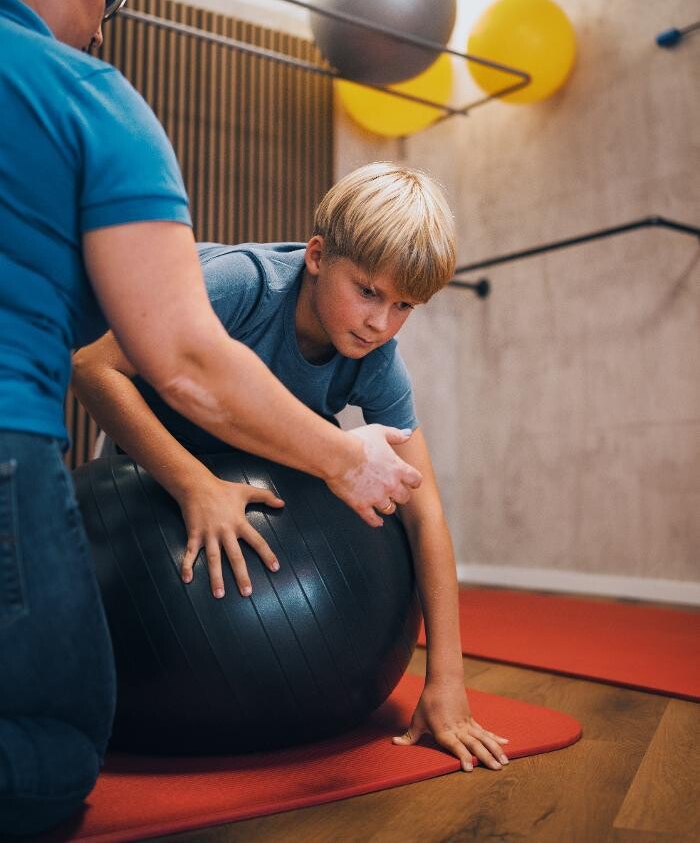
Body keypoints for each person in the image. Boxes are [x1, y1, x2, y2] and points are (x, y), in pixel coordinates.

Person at [0, 0, 420, 837]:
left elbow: (426, 492)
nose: (104, 12)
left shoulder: (379, 351)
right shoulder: (88, 97)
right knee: (58, 740)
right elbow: (178, 361)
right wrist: (336, 459)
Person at [73, 162, 510, 774]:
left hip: (252, 465)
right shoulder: (239, 284)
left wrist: (446, 680)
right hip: (147, 465)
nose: (379, 323)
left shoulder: (375, 359)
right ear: (317, 255)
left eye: (404, 304)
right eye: (367, 291)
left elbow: (424, 511)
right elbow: (93, 369)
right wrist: (194, 483)